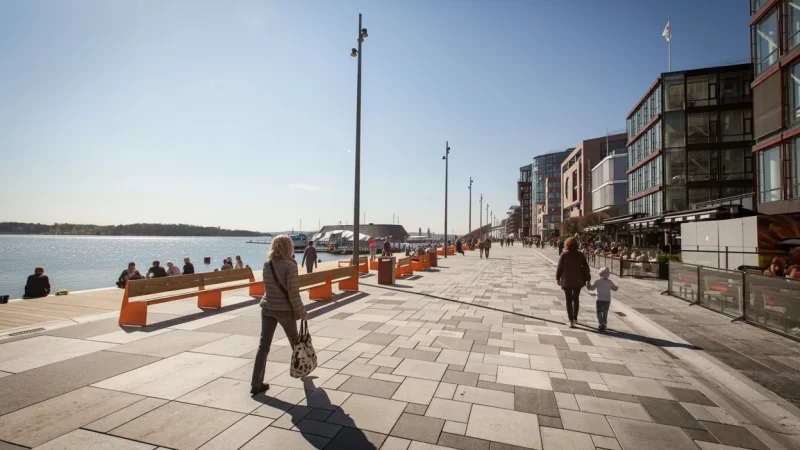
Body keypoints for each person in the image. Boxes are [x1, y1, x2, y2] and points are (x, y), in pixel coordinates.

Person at [250, 234, 308, 396]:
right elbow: (293, 294)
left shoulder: (267, 264)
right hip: (284, 310)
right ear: (288, 247)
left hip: (267, 307)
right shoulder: (290, 266)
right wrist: (302, 313)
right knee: (296, 342)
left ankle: (256, 383)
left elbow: (269, 288)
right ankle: (302, 370)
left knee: (264, 346)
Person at [556, 237, 591, 328]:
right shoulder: (580, 254)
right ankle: (575, 318)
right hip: (578, 280)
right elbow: (586, 268)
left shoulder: (564, 254)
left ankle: (570, 320)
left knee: (568, 300)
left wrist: (558, 278)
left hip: (567, 280)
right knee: (576, 299)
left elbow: (559, 267)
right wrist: (587, 279)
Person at [587, 267, 618, 331]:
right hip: (607, 300)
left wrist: (588, 284)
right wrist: (616, 287)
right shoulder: (610, 282)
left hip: (599, 299)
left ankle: (600, 324)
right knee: (605, 312)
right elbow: (614, 288)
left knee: (599, 311)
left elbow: (591, 288)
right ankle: (604, 323)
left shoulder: (597, 282)